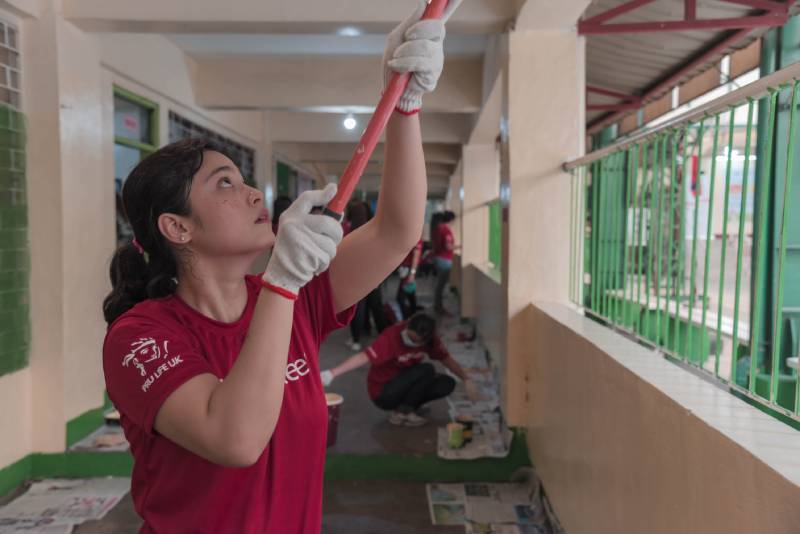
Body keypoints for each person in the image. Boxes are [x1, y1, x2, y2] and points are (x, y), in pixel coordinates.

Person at [100, 1, 460, 531]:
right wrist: (284, 283)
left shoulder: (292, 299)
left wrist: (406, 107)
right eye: (224, 183)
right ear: (177, 228)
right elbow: (235, 439)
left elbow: (395, 231)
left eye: (242, 179)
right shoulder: (140, 338)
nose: (250, 192)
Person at [320, 312, 477, 426]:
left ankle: (409, 408)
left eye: (414, 340)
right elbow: (364, 357)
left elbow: (446, 359)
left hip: (404, 383)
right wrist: (332, 373)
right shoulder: (392, 337)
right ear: (407, 325)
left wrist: (466, 378)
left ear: (425, 339)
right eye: (409, 336)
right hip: (383, 392)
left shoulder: (431, 341)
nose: (408, 340)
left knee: (446, 383)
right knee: (427, 369)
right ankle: (402, 412)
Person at [345, 199, 388, 351]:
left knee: (357, 309)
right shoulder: (375, 231)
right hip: (374, 276)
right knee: (376, 307)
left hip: (354, 277)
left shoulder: (349, 232)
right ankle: (384, 336)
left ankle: (356, 340)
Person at [431, 210, 456, 315]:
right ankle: (439, 308)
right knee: (441, 286)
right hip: (444, 259)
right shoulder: (446, 229)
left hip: (438, 258)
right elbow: (447, 246)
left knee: (439, 285)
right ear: (450, 220)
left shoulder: (437, 228)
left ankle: (437, 306)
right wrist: (460, 247)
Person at [396, 237, 423, 319]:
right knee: (411, 296)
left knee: (400, 298)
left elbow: (416, 254)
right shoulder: (414, 236)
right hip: (407, 270)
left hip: (409, 271)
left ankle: (407, 319)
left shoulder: (416, 237)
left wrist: (412, 273)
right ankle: (413, 318)